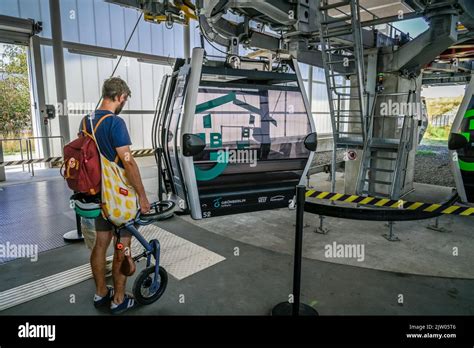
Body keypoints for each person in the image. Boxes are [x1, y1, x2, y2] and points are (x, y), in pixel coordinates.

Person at [79, 77, 151, 314]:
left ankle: (101, 293)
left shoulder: (86, 121)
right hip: (118, 199)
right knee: (123, 247)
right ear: (119, 97)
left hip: (97, 195)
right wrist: (142, 195)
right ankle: (119, 299)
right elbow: (128, 163)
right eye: (124, 99)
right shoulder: (115, 122)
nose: (123, 103)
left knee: (100, 245)